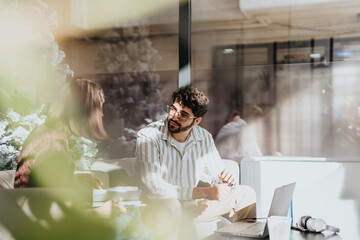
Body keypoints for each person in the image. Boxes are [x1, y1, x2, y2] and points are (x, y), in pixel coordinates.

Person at [13, 78, 151, 240]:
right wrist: (102, 212)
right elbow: (55, 217)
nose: (102, 114)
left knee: (133, 217)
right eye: (99, 109)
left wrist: (74, 178)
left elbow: (40, 184)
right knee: (131, 215)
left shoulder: (43, 132)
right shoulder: (56, 150)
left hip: (31, 224)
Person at [136, 86, 256, 240]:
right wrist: (205, 193)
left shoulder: (203, 137)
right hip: (159, 207)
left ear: (196, 121)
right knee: (171, 205)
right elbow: (153, 185)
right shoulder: (148, 136)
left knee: (246, 193)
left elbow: (216, 175)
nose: (174, 117)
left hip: (193, 207)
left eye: (183, 115)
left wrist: (225, 180)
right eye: (173, 109)